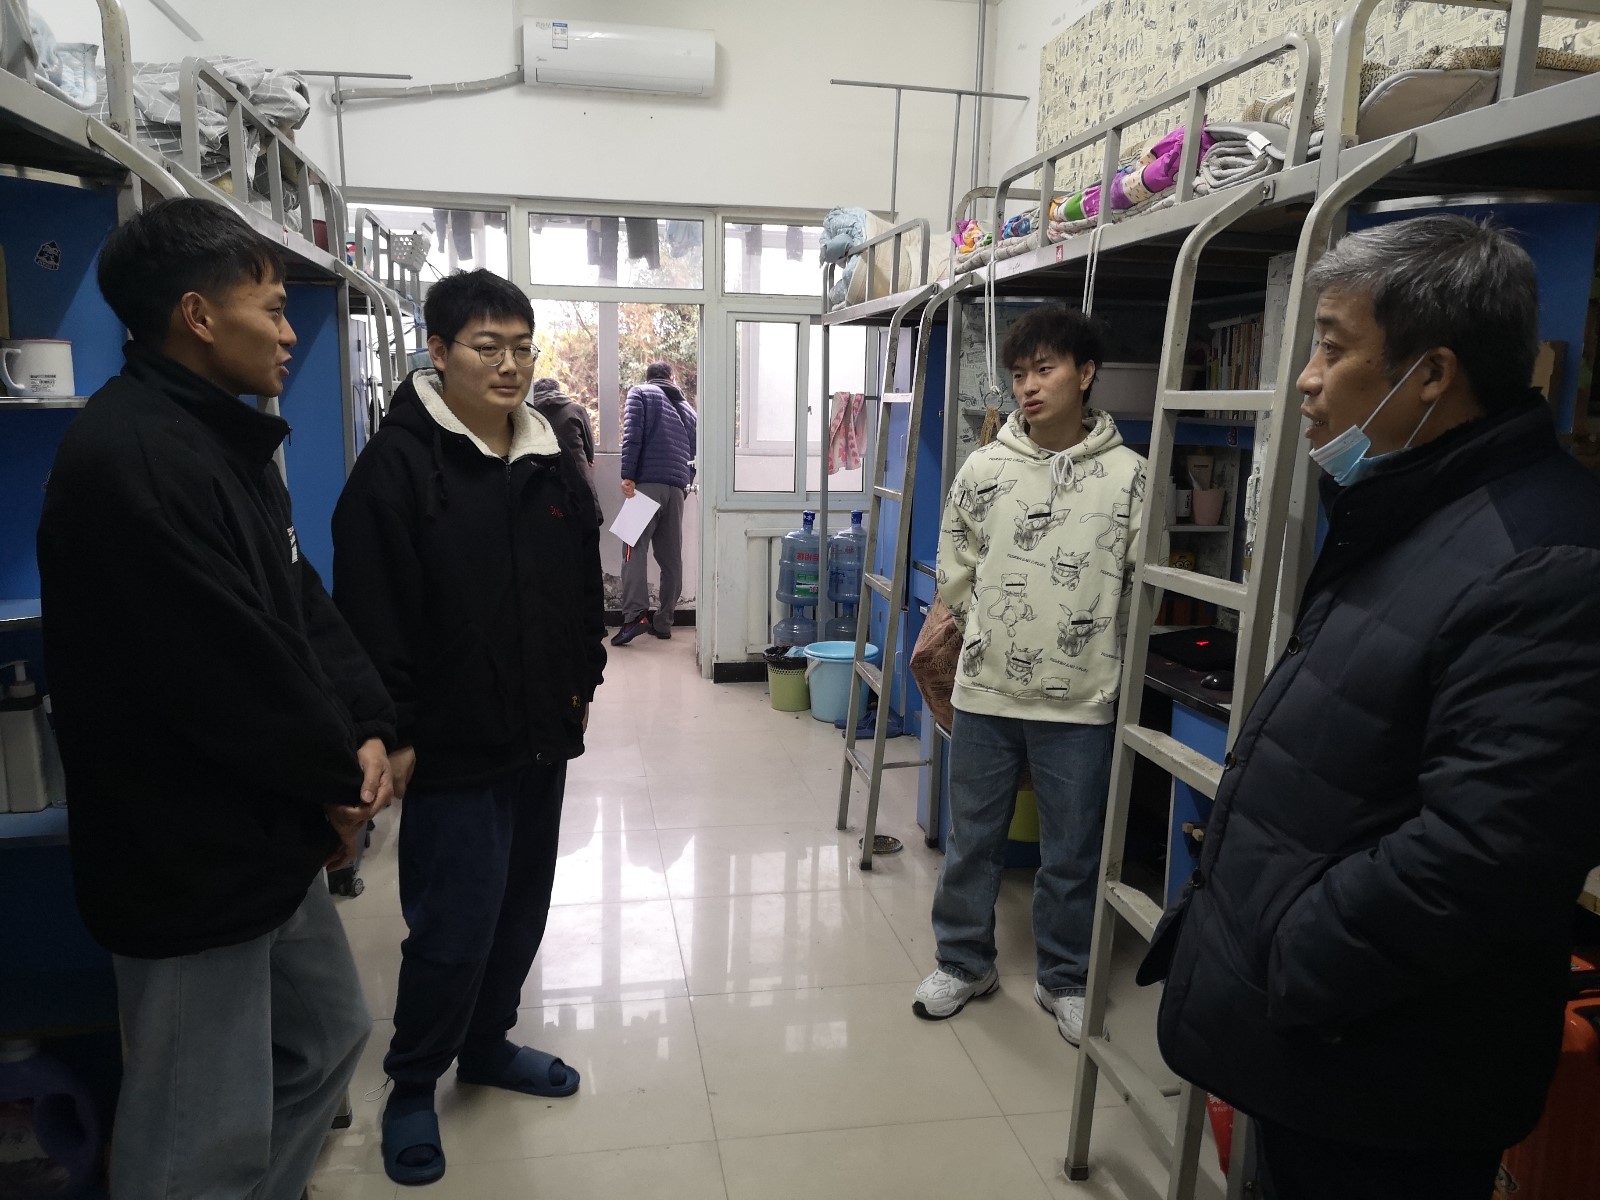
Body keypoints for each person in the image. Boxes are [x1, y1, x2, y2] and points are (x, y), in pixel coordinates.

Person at [1140, 215, 1600, 1199]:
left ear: (1430, 375)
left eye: (1331, 348)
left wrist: (1290, 953)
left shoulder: (1545, 561)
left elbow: (1484, 854)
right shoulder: (1412, 513)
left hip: (1387, 1077)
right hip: (1330, 1055)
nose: (1306, 380)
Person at [36, 197, 395, 1200]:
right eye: (271, 310)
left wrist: (369, 723)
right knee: (197, 1136)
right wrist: (336, 780)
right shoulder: (132, 462)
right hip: (187, 856)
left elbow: (297, 600)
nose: (289, 334)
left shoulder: (225, 446)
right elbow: (226, 672)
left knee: (325, 1039)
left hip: (262, 837)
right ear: (197, 315)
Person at [331, 269, 606, 1186]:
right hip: (450, 745)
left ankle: (486, 1045)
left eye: (523, 347)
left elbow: (582, 582)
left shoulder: (548, 455)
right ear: (439, 351)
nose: (510, 365)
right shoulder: (399, 468)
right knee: (453, 924)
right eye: (488, 348)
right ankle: (413, 1082)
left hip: (541, 732)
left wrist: (583, 679)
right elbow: (371, 612)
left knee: (521, 908)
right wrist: (394, 728)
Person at [914, 306, 1146, 1046]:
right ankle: (963, 962)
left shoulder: (1129, 476)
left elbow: (1139, 583)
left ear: (1086, 373)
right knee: (972, 841)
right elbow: (955, 563)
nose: (1029, 387)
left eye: (1045, 369)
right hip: (987, 690)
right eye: (1019, 374)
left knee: (1071, 852)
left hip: (1081, 698)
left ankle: (1065, 978)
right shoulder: (986, 468)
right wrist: (991, 625)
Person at [613, 359, 696, 645]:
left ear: (649, 378)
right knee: (671, 559)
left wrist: (628, 475)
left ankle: (634, 616)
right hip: (676, 489)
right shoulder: (690, 411)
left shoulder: (640, 393)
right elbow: (694, 457)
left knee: (632, 548)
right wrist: (684, 485)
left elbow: (632, 436)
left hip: (646, 485)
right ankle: (664, 622)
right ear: (671, 378)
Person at [529, 375, 600, 514]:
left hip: (540, 474)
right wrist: (589, 456)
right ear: (558, 390)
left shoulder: (529, 412)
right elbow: (589, 447)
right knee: (583, 517)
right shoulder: (575, 409)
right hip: (576, 473)